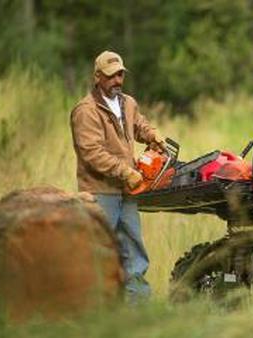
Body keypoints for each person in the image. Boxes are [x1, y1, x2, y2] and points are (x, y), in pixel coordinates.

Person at [70, 50, 166, 301]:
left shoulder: (128, 102)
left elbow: (139, 125)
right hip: (99, 192)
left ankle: (137, 308)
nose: (117, 81)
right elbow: (91, 152)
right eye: (111, 76)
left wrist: (152, 135)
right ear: (97, 77)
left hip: (126, 191)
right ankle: (90, 309)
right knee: (97, 252)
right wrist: (126, 172)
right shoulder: (86, 110)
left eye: (121, 74)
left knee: (134, 251)